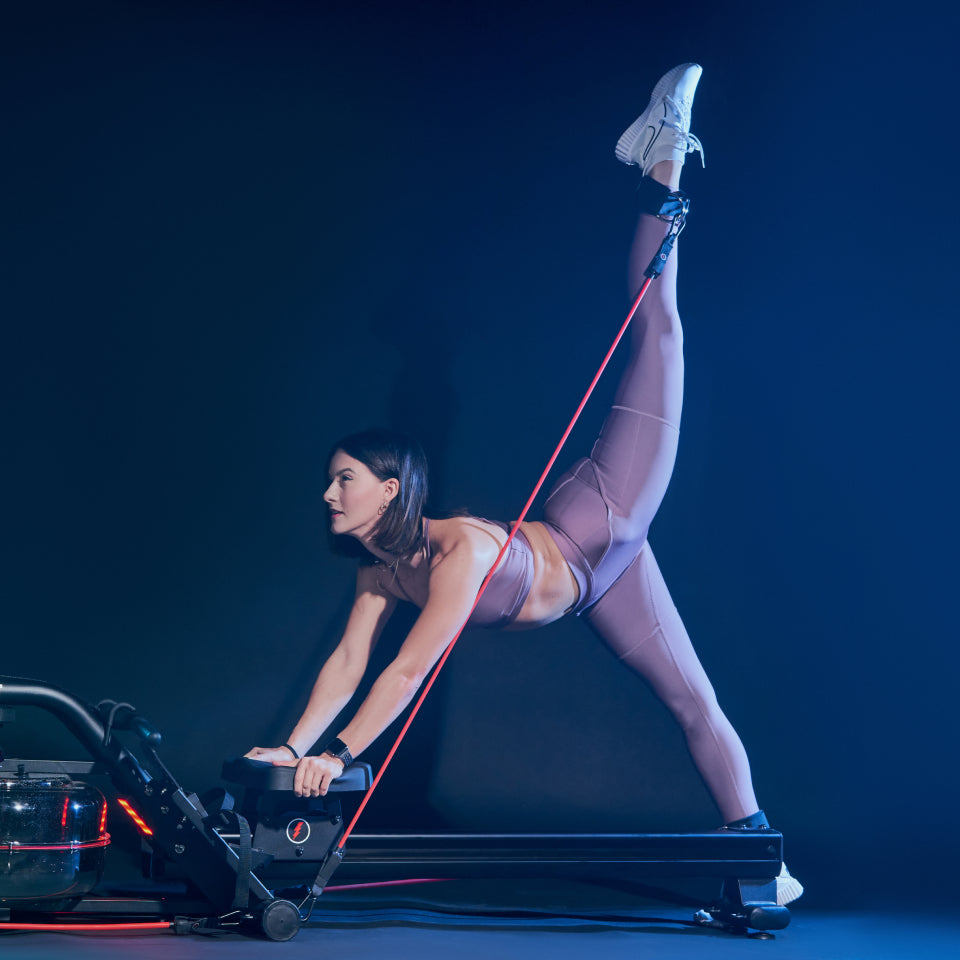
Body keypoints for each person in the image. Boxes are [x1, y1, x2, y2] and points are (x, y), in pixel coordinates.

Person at [245, 64, 803, 906]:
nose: (328, 495)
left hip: (599, 518)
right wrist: (294, 750)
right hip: (600, 584)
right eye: (329, 482)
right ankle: (764, 858)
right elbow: (350, 659)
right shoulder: (380, 570)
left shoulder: (460, 552)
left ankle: (663, 158)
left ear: (391, 489)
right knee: (696, 702)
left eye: (344, 480)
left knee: (660, 333)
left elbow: (404, 673)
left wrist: (342, 755)